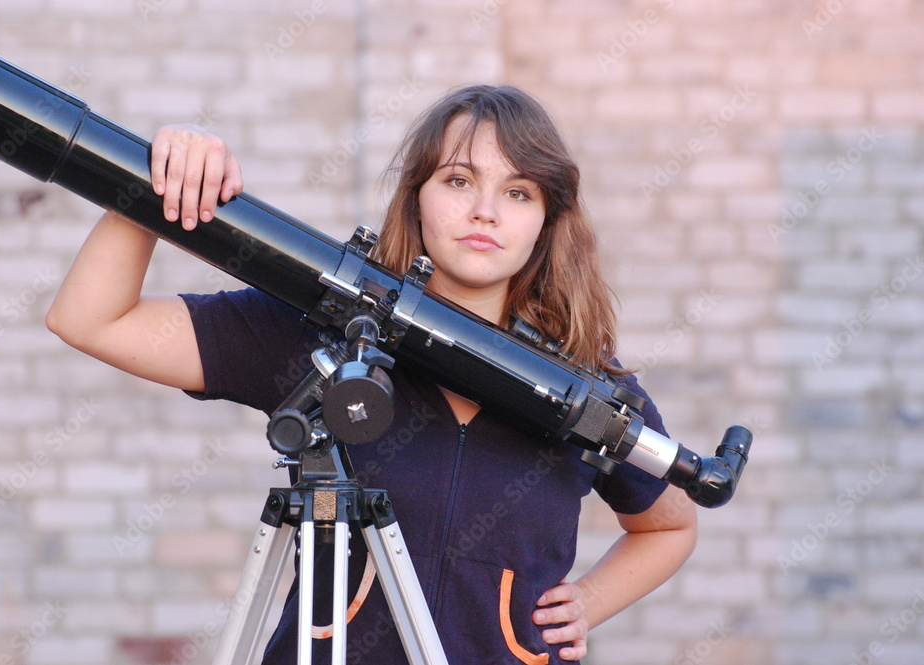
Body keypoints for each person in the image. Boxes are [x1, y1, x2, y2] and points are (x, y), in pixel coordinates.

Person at [46, 85, 697, 664]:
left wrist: (587, 600)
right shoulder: (325, 332)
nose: (485, 211)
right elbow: (93, 320)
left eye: (518, 191)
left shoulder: (586, 395)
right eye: (459, 181)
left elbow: (671, 523)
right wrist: (148, 190)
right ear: (416, 198)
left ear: (546, 222)